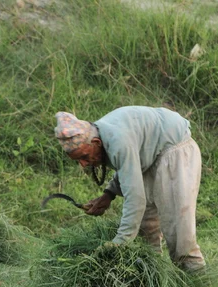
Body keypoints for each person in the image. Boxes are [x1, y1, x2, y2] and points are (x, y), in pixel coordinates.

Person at [54, 106, 205, 273]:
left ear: (95, 142)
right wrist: (109, 194)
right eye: (78, 160)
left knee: (179, 232)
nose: (83, 164)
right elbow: (131, 164)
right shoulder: (100, 134)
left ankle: (199, 285)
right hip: (152, 156)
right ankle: (154, 278)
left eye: (83, 156)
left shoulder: (117, 141)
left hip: (175, 150)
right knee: (145, 228)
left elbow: (135, 200)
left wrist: (119, 243)